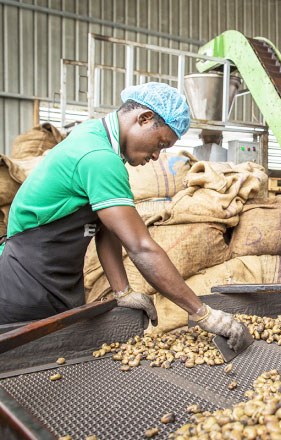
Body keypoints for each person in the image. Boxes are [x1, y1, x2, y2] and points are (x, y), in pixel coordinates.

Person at [0, 82, 250, 350]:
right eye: (160, 143)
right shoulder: (98, 156)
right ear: (144, 118)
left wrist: (123, 291)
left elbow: (106, 228)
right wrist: (204, 314)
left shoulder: (95, 136)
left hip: (55, 281)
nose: (156, 155)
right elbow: (141, 248)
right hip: (27, 287)